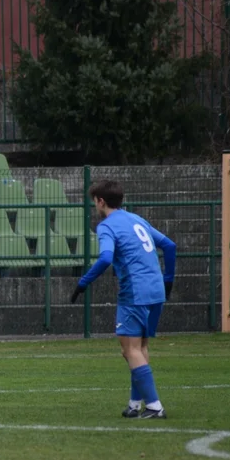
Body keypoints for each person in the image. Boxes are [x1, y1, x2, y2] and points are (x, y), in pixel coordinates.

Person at [71, 179, 176, 419]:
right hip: (156, 289)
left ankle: (154, 406)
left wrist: (83, 283)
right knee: (139, 348)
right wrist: (168, 280)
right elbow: (169, 246)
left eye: (94, 203)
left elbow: (106, 258)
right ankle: (134, 404)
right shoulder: (136, 219)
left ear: (101, 201)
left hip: (135, 292)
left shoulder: (107, 226)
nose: (95, 208)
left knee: (130, 350)